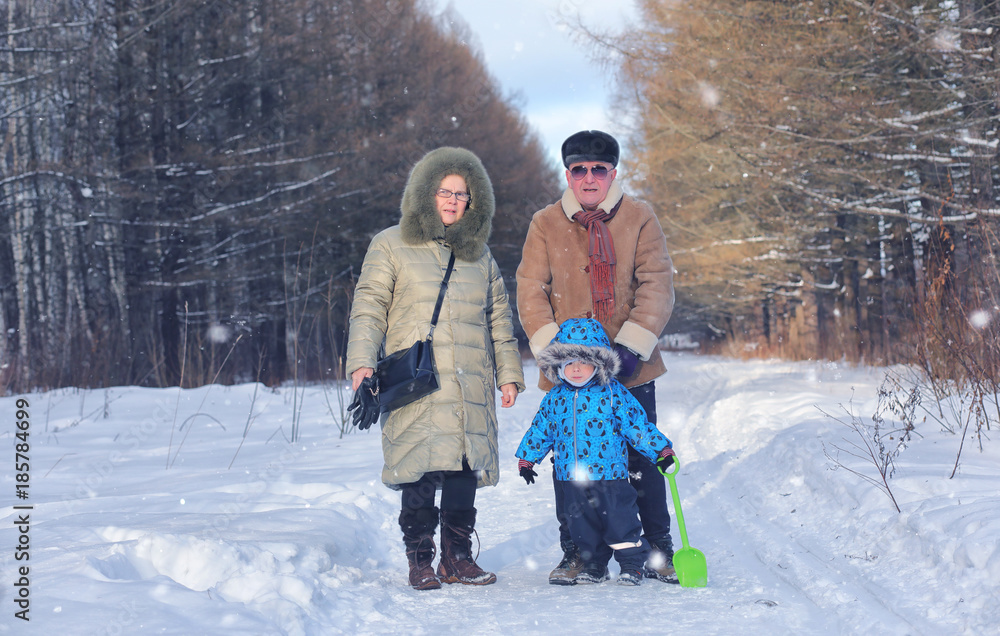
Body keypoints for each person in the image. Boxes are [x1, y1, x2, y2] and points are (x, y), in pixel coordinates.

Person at [346, 146, 525, 591]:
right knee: (421, 470)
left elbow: (499, 319)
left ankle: (458, 559)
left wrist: (508, 373)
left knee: (464, 469)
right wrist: (362, 363)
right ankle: (421, 560)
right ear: (425, 194)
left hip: (469, 381)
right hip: (417, 381)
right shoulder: (391, 243)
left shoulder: (480, 257)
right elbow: (369, 307)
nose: (451, 200)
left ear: (473, 202)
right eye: (443, 191)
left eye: (461, 194)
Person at [515, 129, 677, 584]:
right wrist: (558, 356)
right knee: (571, 467)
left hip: (632, 367)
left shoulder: (640, 218)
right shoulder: (544, 223)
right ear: (568, 174)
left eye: (598, 169)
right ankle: (579, 553)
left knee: (641, 462)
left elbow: (657, 285)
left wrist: (628, 348)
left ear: (613, 173)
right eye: (579, 169)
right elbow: (530, 291)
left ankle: (656, 549)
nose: (589, 178)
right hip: (570, 374)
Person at [515, 318, 676, 586]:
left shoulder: (613, 393)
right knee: (582, 526)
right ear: (559, 367)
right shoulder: (555, 398)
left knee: (620, 522)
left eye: (584, 363)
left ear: (599, 365)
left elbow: (636, 425)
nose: (576, 370)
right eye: (569, 364)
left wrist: (661, 450)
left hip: (610, 476)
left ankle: (632, 564)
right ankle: (594, 564)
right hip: (572, 478)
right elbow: (541, 429)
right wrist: (527, 459)